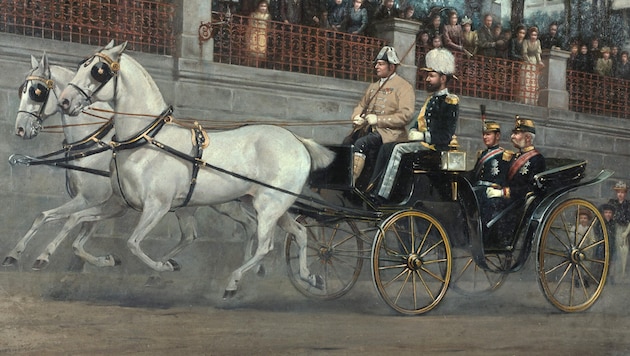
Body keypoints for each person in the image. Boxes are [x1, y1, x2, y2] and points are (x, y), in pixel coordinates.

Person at [367, 48, 458, 203]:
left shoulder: (450, 101)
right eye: (427, 75)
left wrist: (422, 136)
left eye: (431, 76)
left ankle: (382, 195)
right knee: (387, 146)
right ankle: (373, 187)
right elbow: (419, 122)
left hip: (435, 148)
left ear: (443, 78)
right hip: (423, 145)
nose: (427, 79)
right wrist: (415, 130)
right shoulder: (432, 99)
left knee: (397, 148)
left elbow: (445, 136)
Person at [350, 46, 415, 186]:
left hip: (390, 134)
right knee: (348, 142)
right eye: (376, 64)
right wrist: (357, 117)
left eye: (380, 64)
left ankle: (354, 184)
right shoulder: (373, 86)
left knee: (361, 144)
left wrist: (378, 120)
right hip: (369, 131)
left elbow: (406, 115)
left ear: (391, 67)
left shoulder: (404, 87)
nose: (376, 67)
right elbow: (361, 105)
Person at [486, 117, 546, 203]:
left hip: (519, 203)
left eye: (516, 133)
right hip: (507, 200)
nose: (512, 137)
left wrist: (503, 192)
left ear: (528, 138)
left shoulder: (537, 159)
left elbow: (531, 188)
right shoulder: (514, 156)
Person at [473, 121, 513, 227]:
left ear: (498, 136)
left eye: (488, 134)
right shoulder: (482, 154)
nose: (485, 137)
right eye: (484, 134)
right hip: (479, 190)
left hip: (492, 192)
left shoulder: (505, 155)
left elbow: (504, 178)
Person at [608, 181, 630, 283]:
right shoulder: (613, 203)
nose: (620, 194)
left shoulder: (628, 205)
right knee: (614, 251)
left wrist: (626, 232)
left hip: (624, 229)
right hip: (614, 229)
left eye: (622, 192)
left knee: (623, 251)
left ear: (625, 193)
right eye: (618, 192)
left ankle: (623, 274)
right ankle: (613, 275)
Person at [519, 26, 544, 105]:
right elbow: (524, 52)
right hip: (527, 62)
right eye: (532, 35)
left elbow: (538, 53)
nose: (534, 37)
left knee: (533, 82)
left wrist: (539, 61)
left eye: (535, 35)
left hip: (534, 63)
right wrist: (527, 60)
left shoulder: (538, 42)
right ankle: (524, 100)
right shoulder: (526, 42)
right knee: (526, 81)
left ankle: (532, 101)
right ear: (530, 35)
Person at [245, 0, 272, 67]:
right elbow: (250, 24)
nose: (263, 8)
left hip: (263, 36)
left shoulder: (268, 16)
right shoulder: (254, 14)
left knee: (261, 52)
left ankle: (258, 65)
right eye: (261, 6)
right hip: (254, 34)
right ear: (258, 6)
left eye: (265, 6)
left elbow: (269, 26)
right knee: (252, 51)